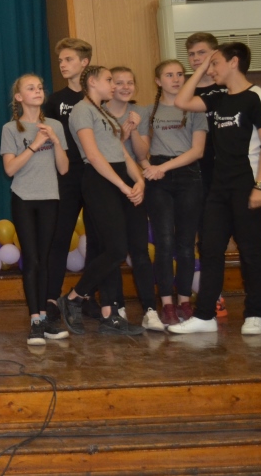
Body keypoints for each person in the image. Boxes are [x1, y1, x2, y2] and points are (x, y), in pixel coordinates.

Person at [170, 42, 261, 336]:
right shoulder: (218, 98)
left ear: (234, 62)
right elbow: (182, 101)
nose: (210, 68)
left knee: (251, 249)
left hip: (248, 183)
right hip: (219, 186)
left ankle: (255, 312)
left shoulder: (258, 97)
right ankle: (205, 315)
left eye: (215, 63)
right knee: (210, 248)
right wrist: (203, 68)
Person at [57, 66, 146, 336]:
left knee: (109, 249)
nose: (114, 85)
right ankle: (74, 297)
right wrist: (122, 185)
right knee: (117, 249)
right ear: (93, 82)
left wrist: (138, 180)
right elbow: (94, 155)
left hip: (117, 178)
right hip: (100, 181)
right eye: (109, 80)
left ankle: (109, 314)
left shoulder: (104, 112)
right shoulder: (82, 110)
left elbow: (121, 151)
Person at [1, 74, 70, 345]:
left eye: (40, 87)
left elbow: (63, 168)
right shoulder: (11, 129)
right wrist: (35, 145)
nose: (38, 91)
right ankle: (35, 321)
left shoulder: (55, 125)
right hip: (24, 198)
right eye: (31, 88)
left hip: (50, 198)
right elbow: (10, 169)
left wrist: (55, 140)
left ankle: (44, 317)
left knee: (45, 258)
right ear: (19, 97)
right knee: (31, 259)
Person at [137, 60, 207, 325]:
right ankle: (166, 303)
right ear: (158, 81)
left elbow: (197, 150)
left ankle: (184, 301)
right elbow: (141, 151)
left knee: (186, 244)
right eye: (169, 75)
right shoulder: (148, 111)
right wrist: (149, 168)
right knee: (164, 242)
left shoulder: (195, 108)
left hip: (188, 175)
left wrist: (162, 167)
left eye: (180, 74)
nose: (176, 79)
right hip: (159, 179)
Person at [44, 38, 99, 322]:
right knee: (60, 237)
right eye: (60, 60)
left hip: (95, 172)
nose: (63, 65)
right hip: (66, 175)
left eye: (68, 59)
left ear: (84, 62)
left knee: (97, 237)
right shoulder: (55, 101)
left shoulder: (97, 97)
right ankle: (51, 298)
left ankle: (87, 296)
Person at [105, 67, 161, 331]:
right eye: (119, 82)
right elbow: (100, 152)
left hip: (135, 183)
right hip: (108, 184)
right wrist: (121, 136)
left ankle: (150, 309)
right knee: (114, 248)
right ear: (109, 86)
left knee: (139, 249)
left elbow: (141, 154)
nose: (125, 87)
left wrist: (135, 131)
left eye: (130, 82)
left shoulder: (140, 112)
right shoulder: (99, 112)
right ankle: (117, 306)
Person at [186, 32, 230, 318]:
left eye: (201, 53)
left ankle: (257, 305)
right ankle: (212, 297)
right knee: (204, 238)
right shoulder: (185, 93)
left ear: (214, 54)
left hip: (227, 173)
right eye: (191, 54)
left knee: (242, 238)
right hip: (195, 175)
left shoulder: (226, 89)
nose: (195, 59)